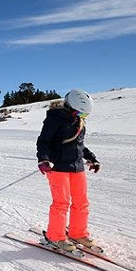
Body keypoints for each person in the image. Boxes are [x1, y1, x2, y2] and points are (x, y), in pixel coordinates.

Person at [36, 89, 101, 252]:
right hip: (58, 167)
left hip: (77, 167)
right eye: (81, 113)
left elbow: (79, 145)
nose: (83, 117)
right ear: (71, 107)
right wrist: (43, 159)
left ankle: (78, 233)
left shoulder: (79, 122)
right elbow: (43, 141)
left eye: (85, 115)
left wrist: (92, 158)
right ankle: (55, 237)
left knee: (81, 202)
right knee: (61, 203)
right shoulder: (54, 119)